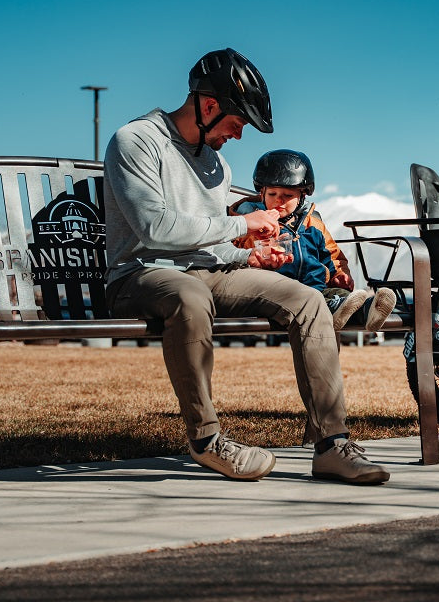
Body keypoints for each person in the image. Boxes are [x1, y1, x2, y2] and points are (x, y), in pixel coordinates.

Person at [102, 47, 389, 485]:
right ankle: (206, 439)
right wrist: (242, 221)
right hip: (140, 274)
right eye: (236, 124)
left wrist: (248, 254)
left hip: (206, 273)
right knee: (189, 295)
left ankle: (332, 444)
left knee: (308, 300)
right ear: (209, 106)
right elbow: (154, 228)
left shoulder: (216, 162)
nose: (237, 136)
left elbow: (210, 246)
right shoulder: (136, 141)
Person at [230, 149, 396, 332]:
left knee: (340, 294)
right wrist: (260, 235)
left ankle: (369, 309)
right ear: (262, 193)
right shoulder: (249, 221)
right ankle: (338, 309)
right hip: (277, 291)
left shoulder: (313, 224)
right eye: (272, 194)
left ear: (302, 195)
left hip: (317, 286)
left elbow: (333, 255)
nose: (279, 201)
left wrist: (339, 275)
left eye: (287, 195)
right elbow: (240, 250)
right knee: (319, 300)